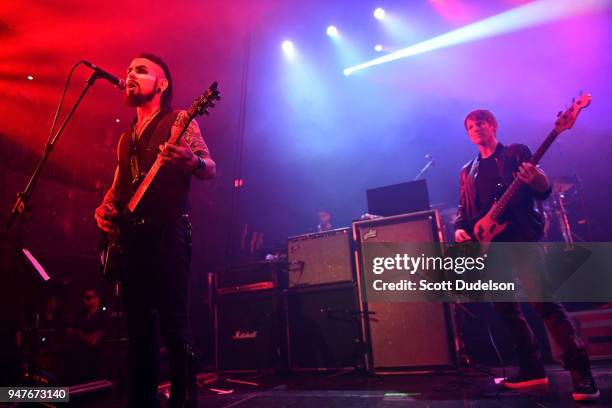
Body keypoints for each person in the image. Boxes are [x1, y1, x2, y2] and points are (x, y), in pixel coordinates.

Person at [94, 53, 216, 408]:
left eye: (141, 70)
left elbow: (210, 166)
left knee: (174, 324)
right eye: (129, 69)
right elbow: (118, 190)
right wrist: (102, 210)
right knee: (138, 332)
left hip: (169, 231)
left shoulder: (179, 120)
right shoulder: (125, 138)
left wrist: (192, 162)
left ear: (161, 84)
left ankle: (183, 400)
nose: (130, 74)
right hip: (134, 240)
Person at [454, 109, 599, 401]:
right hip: (490, 246)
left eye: (480, 123)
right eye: (470, 126)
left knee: (544, 302)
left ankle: (582, 373)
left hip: (521, 239)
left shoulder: (517, 153)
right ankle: (532, 368)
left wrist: (539, 181)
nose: (476, 128)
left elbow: (543, 191)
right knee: (505, 309)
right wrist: (459, 229)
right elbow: (463, 210)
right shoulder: (467, 171)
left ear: (494, 126)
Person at [64, 288, 107, 383]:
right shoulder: (79, 315)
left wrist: (79, 335)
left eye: (88, 298)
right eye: (84, 297)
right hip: (78, 363)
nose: (84, 300)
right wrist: (84, 336)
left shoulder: (103, 317)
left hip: (95, 363)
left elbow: (93, 340)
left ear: (97, 299)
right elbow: (68, 333)